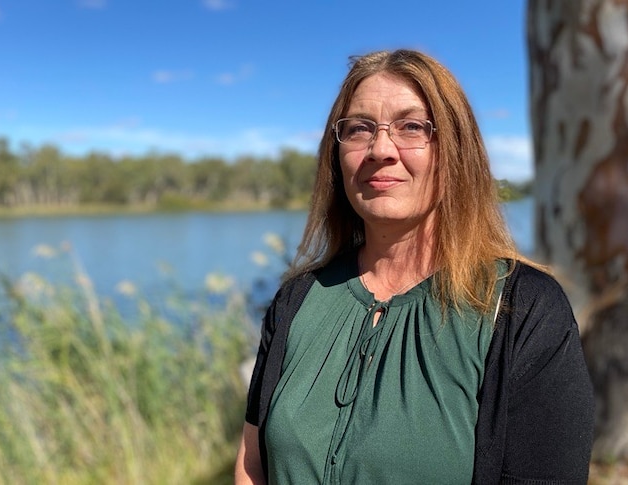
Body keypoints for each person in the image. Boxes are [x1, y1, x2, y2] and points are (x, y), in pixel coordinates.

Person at [235, 49, 594, 485]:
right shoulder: (296, 301)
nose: (380, 149)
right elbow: (252, 466)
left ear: (455, 150)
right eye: (359, 129)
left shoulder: (524, 310)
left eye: (410, 127)